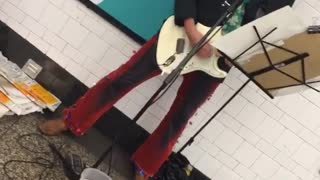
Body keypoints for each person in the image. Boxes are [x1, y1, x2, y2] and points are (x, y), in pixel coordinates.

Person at [39, 0, 295, 179]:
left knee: (180, 116)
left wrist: (237, 55)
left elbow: (265, 28)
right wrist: (191, 29)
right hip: (183, 32)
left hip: (219, 60)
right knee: (122, 80)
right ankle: (73, 120)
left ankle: (146, 166)